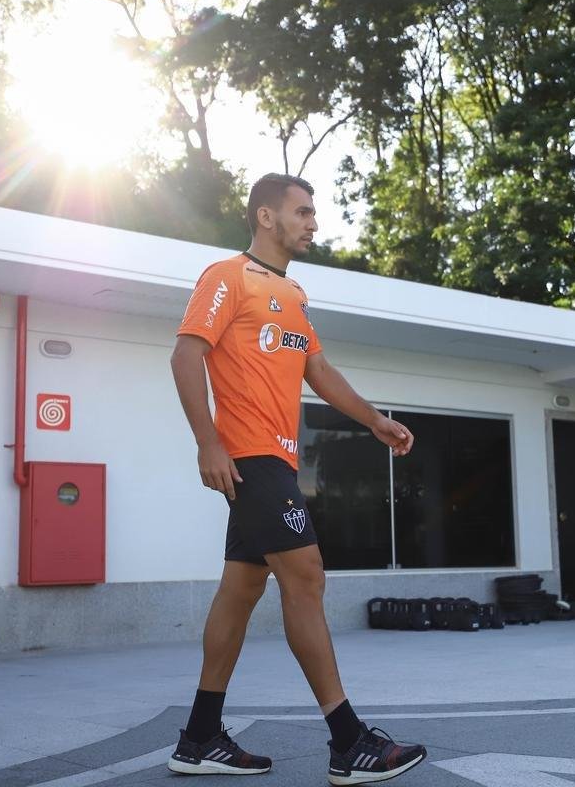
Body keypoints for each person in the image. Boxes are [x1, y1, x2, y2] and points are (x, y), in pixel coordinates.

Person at [168, 173, 427, 784]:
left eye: (313, 213)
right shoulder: (225, 277)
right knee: (305, 577)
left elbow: (318, 368)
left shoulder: (293, 293)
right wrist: (208, 441)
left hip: (276, 459)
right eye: (303, 212)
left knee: (241, 590)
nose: (313, 222)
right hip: (251, 457)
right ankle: (348, 741)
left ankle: (200, 736)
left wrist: (373, 421)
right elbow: (185, 354)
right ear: (266, 217)